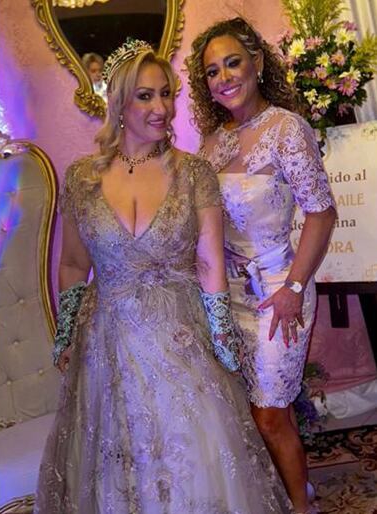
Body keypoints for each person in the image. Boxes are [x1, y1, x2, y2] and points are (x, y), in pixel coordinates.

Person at [35, 40, 291, 513]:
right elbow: (72, 262)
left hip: (179, 334)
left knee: (193, 454)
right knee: (116, 457)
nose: (162, 108)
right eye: (145, 96)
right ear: (119, 103)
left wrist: (222, 340)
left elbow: (209, 263)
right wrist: (65, 331)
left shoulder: (194, 173)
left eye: (167, 94)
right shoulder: (82, 178)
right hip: (106, 340)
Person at [187, 17, 336, 513]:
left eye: (233, 63)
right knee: (245, 414)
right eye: (212, 71)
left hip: (278, 291)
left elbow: (322, 213)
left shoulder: (286, 129)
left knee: (270, 415)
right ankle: (287, 493)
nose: (224, 77)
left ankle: (301, 508)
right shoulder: (211, 143)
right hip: (225, 297)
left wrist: (294, 287)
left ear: (256, 63)